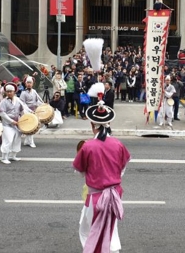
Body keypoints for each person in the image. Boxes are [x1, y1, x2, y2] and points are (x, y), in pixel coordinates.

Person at [73, 92, 131, 253]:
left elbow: (79, 171)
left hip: (95, 196)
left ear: (92, 124)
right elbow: (123, 169)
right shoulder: (118, 144)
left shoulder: (88, 146)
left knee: (87, 229)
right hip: (114, 194)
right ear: (108, 122)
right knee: (111, 229)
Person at [0, 82, 30, 164]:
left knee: (17, 140)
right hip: (7, 124)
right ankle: (4, 157)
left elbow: (22, 111)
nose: (9, 93)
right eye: (7, 91)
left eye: (10, 91)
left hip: (17, 124)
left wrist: (25, 120)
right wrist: (12, 121)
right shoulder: (3, 101)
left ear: (14, 92)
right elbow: (2, 114)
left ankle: (13, 156)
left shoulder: (18, 101)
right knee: (8, 140)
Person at [19, 76, 41, 148]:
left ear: (32, 84)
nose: (29, 84)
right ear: (25, 84)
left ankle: (27, 141)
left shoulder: (34, 91)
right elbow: (22, 104)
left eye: (30, 83)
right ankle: (31, 142)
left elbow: (37, 101)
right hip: (26, 112)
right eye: (27, 83)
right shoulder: (23, 93)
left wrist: (42, 105)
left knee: (32, 127)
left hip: (33, 111)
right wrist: (29, 111)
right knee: (31, 126)